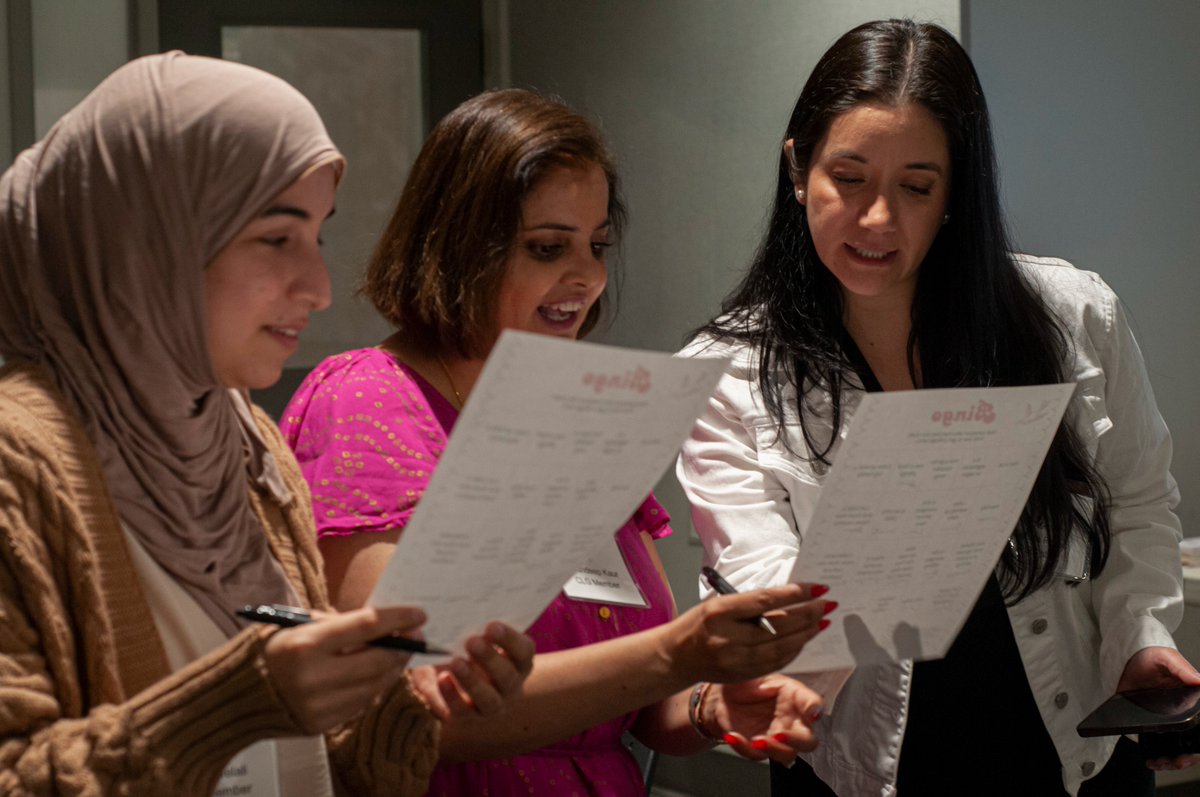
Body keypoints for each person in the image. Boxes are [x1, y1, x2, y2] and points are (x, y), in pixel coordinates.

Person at [675, 18, 1200, 797]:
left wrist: (1141, 642)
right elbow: (770, 592)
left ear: (955, 192)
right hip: (863, 767)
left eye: (916, 187)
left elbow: (1140, 502)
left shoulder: (1071, 314)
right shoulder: (728, 372)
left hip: (1068, 756)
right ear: (798, 167)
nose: (878, 219)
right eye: (848, 177)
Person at [0, 52, 532, 796]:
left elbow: (309, 760)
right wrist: (238, 702)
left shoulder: (250, 447)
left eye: (319, 237)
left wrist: (408, 704)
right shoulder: (17, 461)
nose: (317, 288)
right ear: (151, 242)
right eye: (277, 238)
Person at [281, 87, 835, 796]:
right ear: (457, 245)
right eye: (548, 247)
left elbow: (633, 699)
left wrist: (708, 702)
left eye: (597, 245)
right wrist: (675, 653)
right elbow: (411, 706)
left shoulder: (580, 410)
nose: (587, 277)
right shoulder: (367, 400)